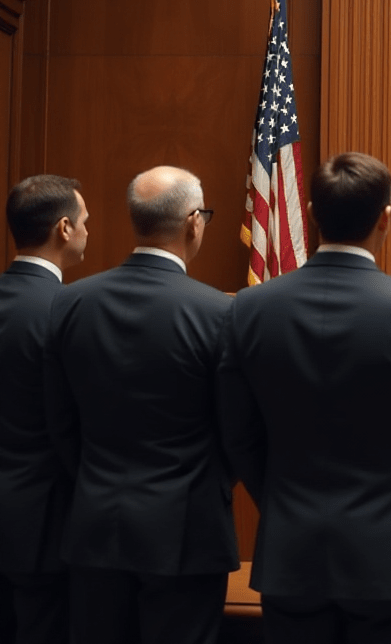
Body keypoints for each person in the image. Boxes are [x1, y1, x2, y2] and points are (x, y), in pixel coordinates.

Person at [218, 152, 391, 644]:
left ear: (312, 213)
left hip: (291, 552)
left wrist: (277, 499)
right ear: (386, 218)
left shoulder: (250, 307)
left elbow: (237, 432)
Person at [44, 166, 237, 644]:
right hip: (187, 532)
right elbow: (237, 430)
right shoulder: (221, 313)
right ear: (194, 222)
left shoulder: (69, 303)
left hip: (95, 527)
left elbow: (60, 422)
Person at [0, 175, 88, 644]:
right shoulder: (68, 310)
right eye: (85, 221)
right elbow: (75, 421)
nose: (88, 230)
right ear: (64, 229)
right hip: (45, 521)